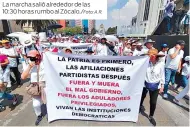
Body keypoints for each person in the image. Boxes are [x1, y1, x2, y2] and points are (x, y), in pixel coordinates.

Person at [139, 49, 165, 126]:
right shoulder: (145, 63)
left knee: (153, 102)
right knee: (142, 96)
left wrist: (162, 86)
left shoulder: (161, 64)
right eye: (148, 55)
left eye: (151, 55)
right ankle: (139, 106)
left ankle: (151, 116)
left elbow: (162, 75)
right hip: (145, 84)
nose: (149, 57)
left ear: (155, 56)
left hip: (156, 85)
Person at [21, 50, 46, 126]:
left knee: (49, 101)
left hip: (45, 85)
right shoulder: (29, 64)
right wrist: (29, 67)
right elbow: (23, 77)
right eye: (30, 58)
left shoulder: (44, 62)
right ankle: (39, 115)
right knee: (36, 104)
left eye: (32, 58)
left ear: (38, 56)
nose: (31, 59)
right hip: (35, 86)